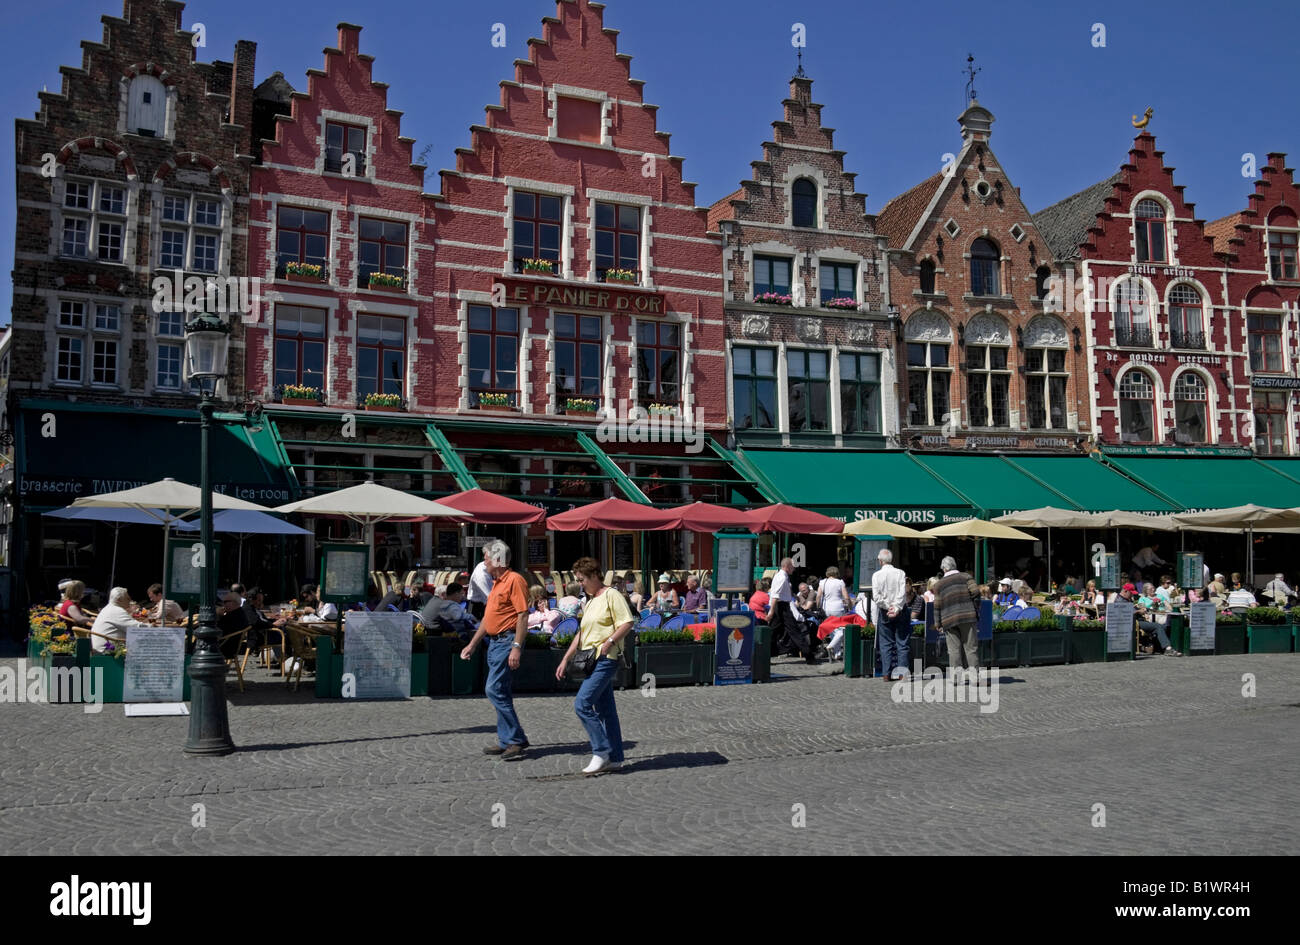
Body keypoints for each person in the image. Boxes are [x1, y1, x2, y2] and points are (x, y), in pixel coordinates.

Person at [557, 556, 634, 775]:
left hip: (605, 659)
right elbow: (581, 634)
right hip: (591, 660)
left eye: (582, 579)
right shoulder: (590, 601)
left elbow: (627, 622)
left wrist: (608, 642)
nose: (580, 584)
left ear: (593, 576)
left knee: (582, 704)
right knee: (606, 711)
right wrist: (565, 659)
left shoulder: (611, 595)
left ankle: (601, 752)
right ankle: (616, 758)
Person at [461, 540, 529, 760]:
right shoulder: (497, 582)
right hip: (495, 643)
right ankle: (506, 740)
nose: (484, 561)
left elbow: (522, 615)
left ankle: (516, 739)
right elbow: (488, 619)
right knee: (501, 691)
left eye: (487, 557)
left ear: (498, 558)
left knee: (493, 690)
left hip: (505, 642)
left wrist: (516, 647)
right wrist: (473, 644)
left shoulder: (514, 580)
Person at [932, 556, 981, 678]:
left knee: (953, 650)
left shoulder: (938, 585)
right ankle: (975, 678)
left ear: (944, 569)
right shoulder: (966, 577)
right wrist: (975, 609)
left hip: (948, 619)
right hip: (968, 616)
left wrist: (937, 623)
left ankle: (956, 678)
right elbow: (976, 592)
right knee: (971, 648)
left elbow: (937, 606)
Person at [871, 548, 909, 680]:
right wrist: (896, 607)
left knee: (886, 643)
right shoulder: (900, 573)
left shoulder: (876, 575)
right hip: (900, 611)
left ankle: (886, 673)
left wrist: (888, 607)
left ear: (880, 561)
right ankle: (902, 674)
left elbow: (877, 597)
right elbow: (902, 593)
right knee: (902, 642)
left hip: (885, 611)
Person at [1112, 583, 1181, 656]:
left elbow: (1169, 607)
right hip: (1134, 622)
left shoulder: (1126, 599)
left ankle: (1160, 648)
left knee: (1164, 626)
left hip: (1141, 619)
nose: (1132, 595)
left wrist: (1138, 609)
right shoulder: (1120, 601)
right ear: (1125, 591)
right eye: (1131, 593)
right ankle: (1168, 649)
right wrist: (1138, 611)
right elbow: (1123, 614)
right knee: (1157, 626)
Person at [770, 557, 816, 663]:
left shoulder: (781, 576)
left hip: (780, 606)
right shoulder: (782, 577)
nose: (794, 568)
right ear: (787, 566)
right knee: (794, 631)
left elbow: (784, 593)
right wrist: (771, 611)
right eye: (793, 566)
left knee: (773, 632)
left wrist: (795, 596)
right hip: (781, 607)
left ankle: (765, 654)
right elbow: (775, 595)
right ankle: (809, 656)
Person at [89, 587, 138, 652]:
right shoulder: (117, 611)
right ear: (119, 600)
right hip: (108, 652)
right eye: (128, 598)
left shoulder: (108, 608)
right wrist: (153, 627)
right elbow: (135, 628)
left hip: (99, 649)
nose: (130, 601)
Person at [239, 587, 287, 653]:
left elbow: (263, 620)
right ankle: (288, 658)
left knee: (287, 629)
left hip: (265, 634)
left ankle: (285, 658)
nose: (261, 603)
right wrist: (273, 624)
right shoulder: (247, 609)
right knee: (289, 635)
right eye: (259, 600)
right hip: (260, 638)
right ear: (251, 600)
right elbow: (255, 622)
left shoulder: (253, 608)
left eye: (262, 600)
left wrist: (276, 621)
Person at [467, 546, 494, 620]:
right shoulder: (481, 574)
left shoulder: (492, 570)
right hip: (477, 608)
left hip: (485, 605)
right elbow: (489, 599)